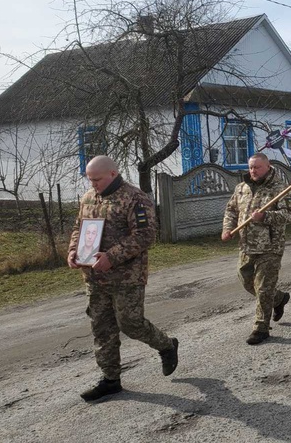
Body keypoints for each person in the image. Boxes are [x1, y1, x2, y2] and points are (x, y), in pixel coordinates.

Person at [68, 155, 178, 402]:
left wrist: (112, 256)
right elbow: (79, 227)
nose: (93, 184)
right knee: (102, 327)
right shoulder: (88, 197)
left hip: (126, 276)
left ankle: (167, 345)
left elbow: (146, 235)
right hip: (95, 277)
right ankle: (110, 380)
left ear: (113, 174)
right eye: (89, 179)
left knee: (130, 323)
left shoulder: (135, 198)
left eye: (96, 179)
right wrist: (73, 251)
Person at [222, 153, 291, 345]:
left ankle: (261, 328)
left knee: (263, 288)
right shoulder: (242, 188)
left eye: (257, 167)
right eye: (251, 167)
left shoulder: (280, 188)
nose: (253, 171)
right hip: (246, 245)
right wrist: (228, 229)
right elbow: (231, 209)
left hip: (270, 246)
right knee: (246, 280)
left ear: (268, 166)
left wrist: (265, 217)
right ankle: (279, 298)